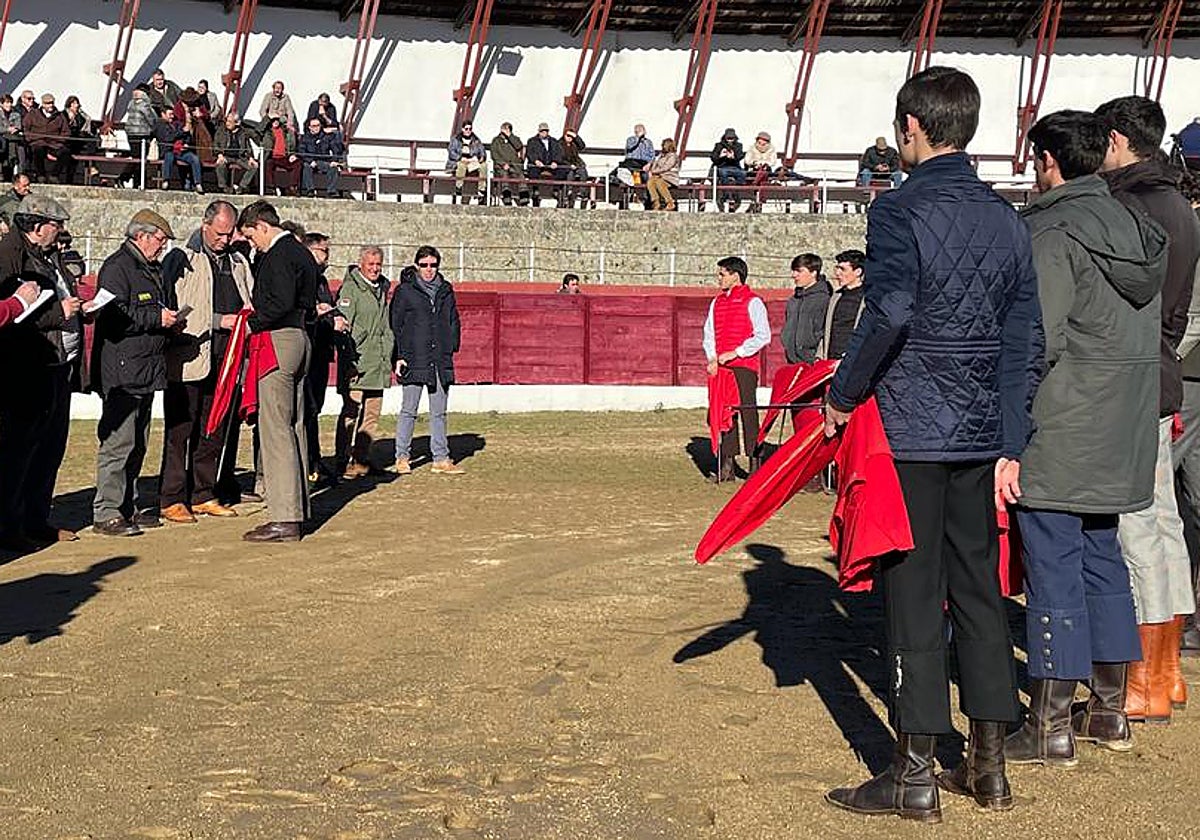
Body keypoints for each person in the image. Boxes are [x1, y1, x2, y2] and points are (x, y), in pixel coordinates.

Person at [822, 67, 1042, 823]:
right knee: (979, 589)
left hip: (913, 426)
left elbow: (889, 312)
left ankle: (914, 773)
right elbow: (1024, 339)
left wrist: (843, 392)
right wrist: (1012, 437)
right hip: (979, 428)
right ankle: (988, 767)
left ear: (910, 128)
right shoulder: (1008, 218)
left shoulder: (898, 209)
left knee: (915, 591)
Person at [1002, 110, 1165, 768]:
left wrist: (1010, 432)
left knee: (1053, 569)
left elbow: (1034, 341)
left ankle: (1048, 724)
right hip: (1121, 421)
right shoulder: (1138, 226)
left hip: (1062, 421)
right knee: (1102, 558)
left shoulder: (1051, 231)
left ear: (1048, 161)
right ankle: (1108, 708)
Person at [1096, 94, 1200, 723]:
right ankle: (1167, 673)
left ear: (1114, 140)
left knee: (1136, 526)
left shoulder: (1126, 204)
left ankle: (1142, 678)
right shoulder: (1180, 207)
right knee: (1162, 523)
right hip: (1162, 371)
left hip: (1130, 376)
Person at [158, 201, 254, 524]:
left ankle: (203, 493)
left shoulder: (238, 262)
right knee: (180, 431)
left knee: (214, 428)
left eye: (229, 234)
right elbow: (173, 306)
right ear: (205, 224)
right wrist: (218, 320)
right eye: (219, 233)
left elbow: (248, 300)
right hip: (188, 357)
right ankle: (172, 497)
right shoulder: (181, 258)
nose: (224, 240)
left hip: (227, 359)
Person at [0, 195, 82, 551]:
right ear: (36, 226)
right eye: (55, 225)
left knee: (49, 447)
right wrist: (59, 313)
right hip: (27, 367)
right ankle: (10, 526)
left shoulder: (48, 254)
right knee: (19, 450)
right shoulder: (9, 255)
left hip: (57, 364)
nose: (59, 232)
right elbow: (12, 313)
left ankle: (36, 519)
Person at [90, 209, 179, 537]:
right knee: (119, 443)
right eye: (160, 239)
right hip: (124, 369)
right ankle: (107, 511)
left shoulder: (150, 268)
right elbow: (114, 317)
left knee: (138, 442)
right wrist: (157, 319)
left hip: (145, 366)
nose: (163, 246)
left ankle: (127, 505)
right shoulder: (118, 268)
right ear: (141, 236)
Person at [236, 200, 318, 542]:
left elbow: (279, 303)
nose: (251, 242)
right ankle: (297, 509)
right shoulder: (301, 253)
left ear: (262, 225)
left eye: (250, 235)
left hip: (278, 340)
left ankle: (285, 517)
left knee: (276, 430)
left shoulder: (278, 254)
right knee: (294, 426)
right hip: (300, 336)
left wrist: (252, 323)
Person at [391, 246, 464, 476]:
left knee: (439, 412)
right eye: (424, 265)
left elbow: (453, 320)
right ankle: (402, 457)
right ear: (417, 266)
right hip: (413, 357)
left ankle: (440, 458)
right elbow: (395, 324)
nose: (429, 269)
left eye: (433, 265)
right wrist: (399, 355)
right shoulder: (405, 291)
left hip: (439, 358)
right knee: (409, 410)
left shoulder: (445, 290)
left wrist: (451, 346)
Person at [702, 256, 770, 482]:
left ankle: (755, 467)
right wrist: (712, 358)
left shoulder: (753, 302)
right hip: (722, 367)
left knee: (748, 414)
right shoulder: (717, 302)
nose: (719, 278)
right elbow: (709, 334)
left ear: (735, 275)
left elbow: (763, 335)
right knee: (724, 414)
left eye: (722, 274)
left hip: (743, 367)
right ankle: (727, 467)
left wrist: (737, 352)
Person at [335, 246, 393, 478]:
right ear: (361, 264)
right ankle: (342, 461)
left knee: (371, 414)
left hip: (377, 361)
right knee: (351, 412)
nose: (375, 269)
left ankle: (361, 459)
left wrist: (387, 354)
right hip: (357, 361)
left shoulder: (382, 288)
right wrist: (350, 360)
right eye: (371, 264)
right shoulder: (351, 289)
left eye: (378, 264)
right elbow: (344, 329)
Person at [303, 232, 346, 484]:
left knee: (315, 408)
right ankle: (309, 462)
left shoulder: (320, 280)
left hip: (320, 350)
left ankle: (315, 460)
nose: (327, 257)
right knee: (307, 409)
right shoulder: (304, 277)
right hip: (307, 351)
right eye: (324, 251)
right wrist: (325, 317)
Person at [780, 253, 830, 365]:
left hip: (814, 362)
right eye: (793, 271)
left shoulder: (824, 300)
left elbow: (825, 331)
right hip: (792, 360)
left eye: (799, 271)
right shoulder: (794, 300)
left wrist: (815, 355)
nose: (794, 275)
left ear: (813, 273)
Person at [816, 249, 865, 360]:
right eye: (837, 268)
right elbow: (826, 329)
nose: (838, 273)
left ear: (858, 272)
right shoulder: (836, 296)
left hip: (854, 360)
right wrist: (819, 356)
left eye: (843, 269)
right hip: (830, 359)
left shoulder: (868, 299)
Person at [153, 106, 203, 193]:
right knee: (169, 157)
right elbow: (168, 138)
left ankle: (198, 183)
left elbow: (186, 135)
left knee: (194, 158)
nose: (172, 116)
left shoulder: (177, 124)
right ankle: (166, 180)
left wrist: (186, 143)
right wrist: (182, 131)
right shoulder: (159, 125)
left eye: (173, 114)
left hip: (181, 151)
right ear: (163, 114)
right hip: (168, 150)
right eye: (170, 114)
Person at [22, 94, 69, 183]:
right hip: (38, 142)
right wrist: (31, 138)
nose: (50, 105)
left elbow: (66, 131)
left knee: (65, 152)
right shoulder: (33, 114)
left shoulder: (60, 116)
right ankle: (40, 175)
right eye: (48, 103)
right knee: (38, 150)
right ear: (43, 104)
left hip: (54, 144)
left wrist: (59, 140)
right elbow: (26, 128)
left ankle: (54, 175)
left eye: (52, 103)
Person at [298, 116, 344, 198]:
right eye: (314, 126)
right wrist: (310, 161)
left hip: (323, 161)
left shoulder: (326, 137)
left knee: (333, 168)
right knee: (306, 166)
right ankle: (310, 190)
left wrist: (334, 160)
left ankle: (331, 191)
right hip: (310, 161)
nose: (316, 128)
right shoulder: (305, 138)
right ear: (309, 127)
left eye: (318, 125)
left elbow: (335, 149)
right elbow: (301, 152)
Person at [213, 113, 259, 194]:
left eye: (230, 122)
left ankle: (241, 187)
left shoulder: (243, 132)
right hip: (226, 155)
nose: (227, 123)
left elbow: (247, 146)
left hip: (239, 157)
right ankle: (223, 187)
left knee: (253, 167)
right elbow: (216, 144)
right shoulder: (221, 131)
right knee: (220, 164)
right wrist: (219, 155)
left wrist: (250, 157)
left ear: (237, 123)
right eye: (227, 121)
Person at [446, 121, 487, 205]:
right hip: (459, 161)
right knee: (461, 166)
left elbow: (482, 152)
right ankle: (459, 186)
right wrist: (460, 158)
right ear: (462, 129)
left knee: (484, 166)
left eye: (470, 129)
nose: (468, 131)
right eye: (466, 129)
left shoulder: (476, 140)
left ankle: (481, 189)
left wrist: (480, 158)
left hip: (472, 162)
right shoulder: (456, 139)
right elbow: (451, 152)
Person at [525, 122, 563, 207]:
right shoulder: (532, 141)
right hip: (537, 164)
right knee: (533, 171)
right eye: (542, 131)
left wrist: (555, 161)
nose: (544, 133)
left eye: (546, 131)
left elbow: (559, 153)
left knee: (562, 170)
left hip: (550, 164)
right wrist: (536, 161)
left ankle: (556, 190)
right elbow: (530, 153)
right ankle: (535, 190)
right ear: (539, 131)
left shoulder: (554, 141)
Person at [490, 122, 526, 206]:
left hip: (514, 165)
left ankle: (524, 200)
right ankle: (507, 199)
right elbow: (494, 155)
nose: (506, 131)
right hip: (501, 166)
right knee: (504, 176)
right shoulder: (496, 141)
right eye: (504, 129)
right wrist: (503, 164)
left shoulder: (515, 139)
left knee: (521, 177)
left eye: (508, 129)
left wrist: (510, 136)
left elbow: (519, 146)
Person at [710, 128, 746, 212]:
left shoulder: (738, 145)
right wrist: (721, 156)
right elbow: (713, 158)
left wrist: (733, 156)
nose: (730, 140)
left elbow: (740, 156)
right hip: (722, 166)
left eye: (731, 138)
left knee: (743, 173)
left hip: (735, 167)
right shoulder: (719, 145)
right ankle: (726, 193)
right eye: (728, 138)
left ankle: (736, 193)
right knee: (723, 173)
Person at [262, 116, 300, 196]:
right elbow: (259, 129)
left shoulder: (286, 132)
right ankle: (271, 188)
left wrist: (292, 154)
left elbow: (293, 144)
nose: (275, 122)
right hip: (272, 157)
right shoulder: (267, 133)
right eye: (273, 120)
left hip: (284, 157)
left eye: (277, 120)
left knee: (297, 163)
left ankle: (292, 187)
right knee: (268, 164)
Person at [744, 131, 777, 211]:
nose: (761, 145)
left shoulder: (771, 150)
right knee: (762, 176)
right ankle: (760, 202)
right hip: (754, 170)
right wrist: (754, 163)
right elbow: (747, 160)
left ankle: (755, 185)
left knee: (763, 170)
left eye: (763, 144)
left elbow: (773, 161)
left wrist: (765, 163)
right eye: (759, 143)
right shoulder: (752, 148)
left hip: (766, 169)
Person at [644, 138, 680, 211]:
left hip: (669, 177)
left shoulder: (673, 156)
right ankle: (656, 202)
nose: (663, 146)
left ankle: (670, 203)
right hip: (659, 176)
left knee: (659, 183)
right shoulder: (661, 156)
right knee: (650, 182)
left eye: (664, 145)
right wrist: (653, 165)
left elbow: (666, 167)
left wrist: (653, 172)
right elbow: (655, 165)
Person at [123, 88, 158, 159]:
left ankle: (135, 165)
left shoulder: (131, 103)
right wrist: (153, 128)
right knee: (142, 154)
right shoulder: (144, 104)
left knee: (134, 153)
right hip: (142, 132)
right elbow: (149, 117)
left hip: (130, 131)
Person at [560, 128, 590, 208]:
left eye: (571, 136)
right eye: (568, 135)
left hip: (576, 163)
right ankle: (568, 192)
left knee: (583, 172)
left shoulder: (574, 144)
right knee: (570, 173)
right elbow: (560, 158)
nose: (570, 138)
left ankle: (582, 192)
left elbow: (582, 146)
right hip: (565, 164)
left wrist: (576, 136)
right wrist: (569, 165)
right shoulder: (560, 144)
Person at [1, 94, 26, 179]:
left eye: (10, 103)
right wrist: (7, 129)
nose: (9, 105)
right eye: (7, 102)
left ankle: (19, 173)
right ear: (1, 104)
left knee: (19, 148)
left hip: (13, 137)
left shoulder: (16, 114)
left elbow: (18, 127)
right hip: (2, 138)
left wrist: (13, 129)